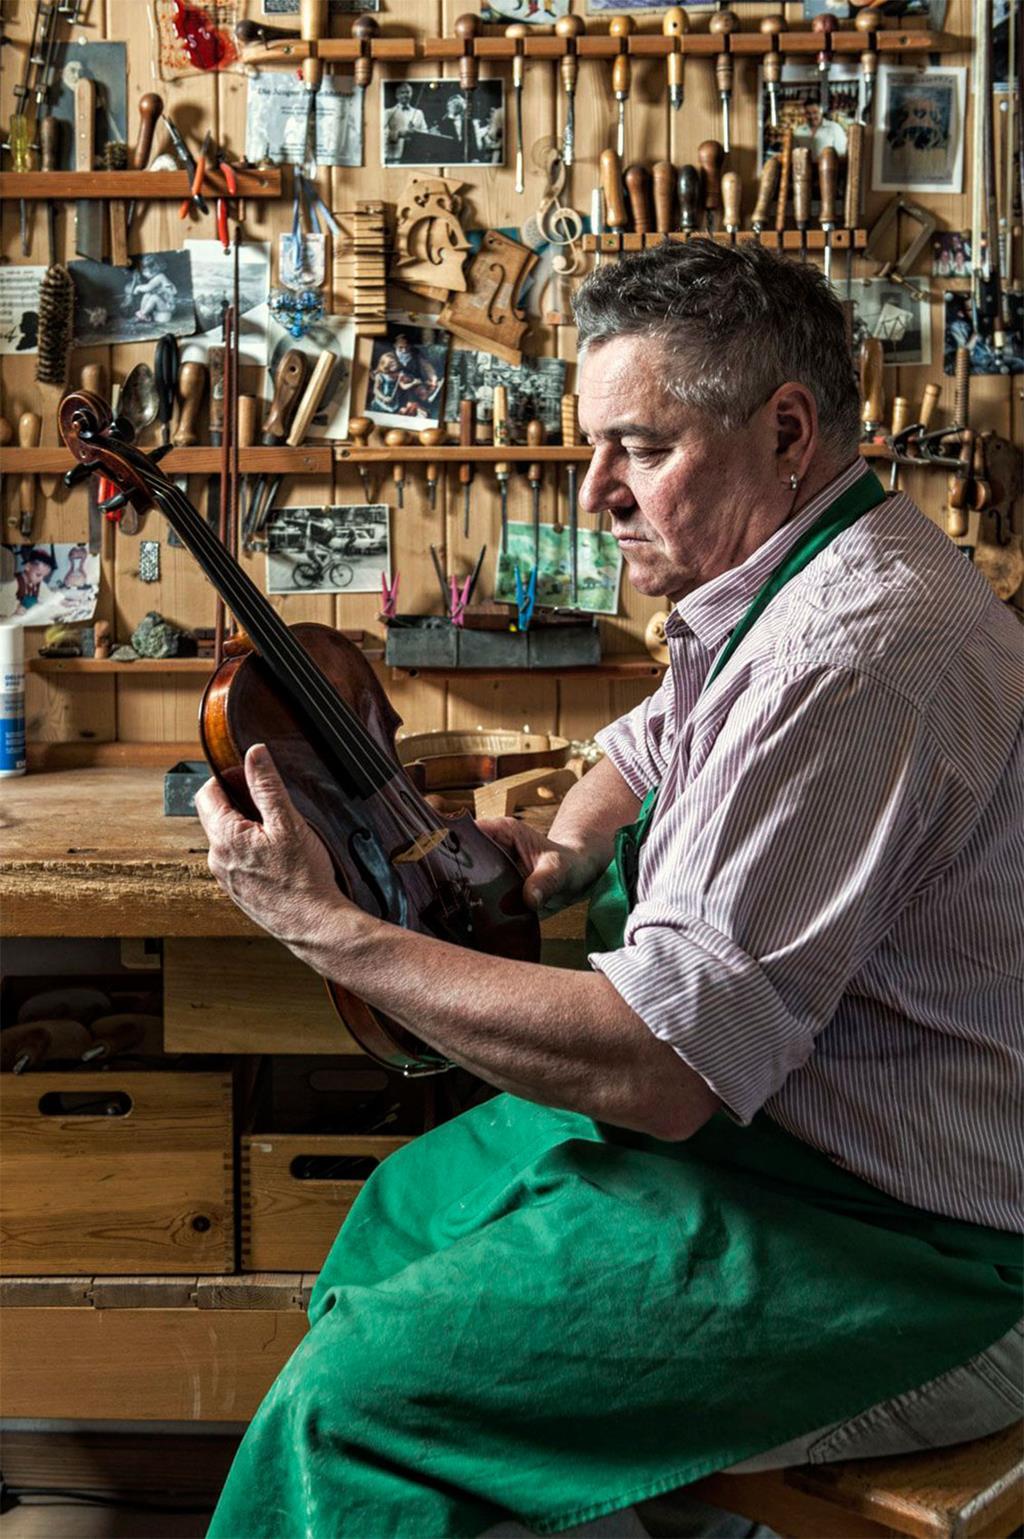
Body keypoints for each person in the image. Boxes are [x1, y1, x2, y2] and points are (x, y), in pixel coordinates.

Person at [198, 241, 1022, 1539]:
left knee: (349, 1404)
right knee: (399, 1210)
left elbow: (657, 1063)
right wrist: (568, 847)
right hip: (782, 1146)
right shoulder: (790, 580)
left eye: (638, 447)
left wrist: (329, 928)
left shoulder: (851, 655)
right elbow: (649, 743)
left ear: (787, 430)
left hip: (902, 1243)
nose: (595, 492)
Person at [383, 82, 429, 162]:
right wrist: (398, 134)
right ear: (397, 95)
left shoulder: (419, 113)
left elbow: (425, 132)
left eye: (407, 92)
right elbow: (381, 133)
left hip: (415, 155)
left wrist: (416, 132)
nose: (405, 95)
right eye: (402, 92)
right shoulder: (388, 112)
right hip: (394, 155)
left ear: (411, 94)